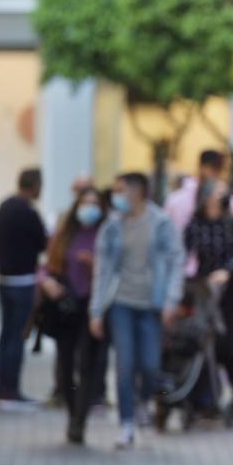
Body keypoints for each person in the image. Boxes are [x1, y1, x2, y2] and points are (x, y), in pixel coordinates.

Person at [89, 172, 184, 449]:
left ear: (137, 191)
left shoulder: (161, 223)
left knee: (150, 364)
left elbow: (176, 261)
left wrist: (171, 300)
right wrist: (96, 311)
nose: (115, 196)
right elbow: (102, 269)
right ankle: (127, 423)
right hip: (120, 303)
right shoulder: (112, 226)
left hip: (151, 305)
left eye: (121, 190)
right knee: (124, 364)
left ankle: (144, 401)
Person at [39, 186, 106, 442]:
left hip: (93, 306)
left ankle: (80, 420)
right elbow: (46, 267)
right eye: (85, 203)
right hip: (66, 306)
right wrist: (46, 282)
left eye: (94, 204)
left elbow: (113, 271)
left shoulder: (105, 234)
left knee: (88, 364)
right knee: (65, 365)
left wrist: (95, 266)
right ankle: (71, 410)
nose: (89, 209)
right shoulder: (64, 234)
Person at [184, 180, 233, 424]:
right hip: (203, 290)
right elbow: (184, 251)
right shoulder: (196, 224)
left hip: (228, 292)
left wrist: (226, 272)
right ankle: (204, 399)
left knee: (227, 344)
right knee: (201, 342)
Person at [0, 168, 48, 404]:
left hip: (4, 279)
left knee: (7, 335)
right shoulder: (27, 211)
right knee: (16, 336)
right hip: (22, 281)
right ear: (35, 185)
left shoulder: (4, 206)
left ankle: (2, 386)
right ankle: (10, 389)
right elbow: (42, 242)